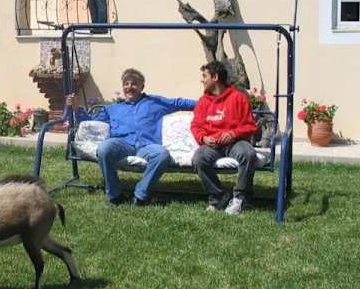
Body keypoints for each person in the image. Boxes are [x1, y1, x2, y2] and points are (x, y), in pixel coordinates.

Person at [67, 68, 197, 206]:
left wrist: (208, 103)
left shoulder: (154, 102)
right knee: (104, 148)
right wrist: (76, 107)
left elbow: (179, 103)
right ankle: (115, 194)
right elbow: (90, 120)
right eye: (126, 84)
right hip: (122, 143)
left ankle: (140, 195)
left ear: (142, 87)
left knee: (162, 154)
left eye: (134, 84)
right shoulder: (112, 108)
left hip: (147, 145)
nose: (129, 87)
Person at [191, 61, 258, 216]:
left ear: (215, 77)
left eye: (204, 76)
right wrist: (204, 138)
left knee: (248, 154)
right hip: (212, 144)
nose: (202, 80)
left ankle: (240, 198)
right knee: (199, 158)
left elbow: (250, 126)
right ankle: (218, 197)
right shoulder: (203, 101)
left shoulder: (238, 98)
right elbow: (196, 126)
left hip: (235, 142)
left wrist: (233, 134)